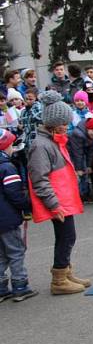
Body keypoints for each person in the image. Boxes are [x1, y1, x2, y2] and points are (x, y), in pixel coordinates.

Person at [27, 91, 91, 294]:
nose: (67, 126)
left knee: (67, 236)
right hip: (57, 201)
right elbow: (39, 179)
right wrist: (54, 204)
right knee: (66, 236)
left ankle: (66, 271)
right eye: (64, 123)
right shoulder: (41, 145)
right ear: (53, 123)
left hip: (63, 199)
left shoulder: (53, 140)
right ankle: (59, 280)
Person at [0, 128, 37, 302]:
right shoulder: (7, 167)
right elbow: (14, 193)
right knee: (16, 251)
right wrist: (27, 206)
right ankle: (20, 285)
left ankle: (1, 288)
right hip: (7, 218)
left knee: (1, 254)